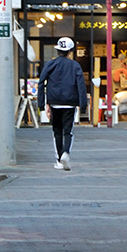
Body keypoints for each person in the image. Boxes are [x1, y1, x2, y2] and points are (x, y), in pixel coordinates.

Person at [37, 37, 88, 170]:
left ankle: (59, 159)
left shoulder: (50, 64)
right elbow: (81, 86)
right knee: (68, 131)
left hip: (54, 102)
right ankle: (66, 152)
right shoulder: (75, 65)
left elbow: (41, 82)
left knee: (57, 131)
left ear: (58, 50)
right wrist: (83, 105)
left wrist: (42, 104)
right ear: (70, 51)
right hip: (70, 103)